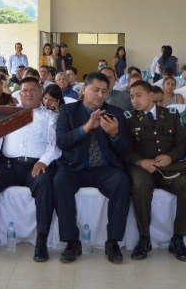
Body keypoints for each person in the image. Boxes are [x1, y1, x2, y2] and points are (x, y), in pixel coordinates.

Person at [0, 77, 60, 261]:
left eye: (33, 90)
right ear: (19, 94)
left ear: (40, 93)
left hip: (36, 166)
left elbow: (54, 145)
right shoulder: (9, 114)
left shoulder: (50, 116)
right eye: (24, 90)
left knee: (45, 185)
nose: (28, 94)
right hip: (8, 166)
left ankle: (41, 240)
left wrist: (44, 161)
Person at [54, 71, 130, 264]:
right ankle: (72, 242)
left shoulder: (116, 113)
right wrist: (87, 127)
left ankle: (113, 242)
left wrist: (115, 134)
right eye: (95, 90)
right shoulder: (68, 111)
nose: (100, 95)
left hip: (104, 169)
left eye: (104, 91)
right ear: (83, 89)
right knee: (60, 181)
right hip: (74, 168)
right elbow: (62, 141)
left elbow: (125, 149)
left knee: (121, 182)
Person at [123, 81, 186, 262]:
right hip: (142, 168)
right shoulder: (128, 118)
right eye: (132, 96)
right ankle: (144, 238)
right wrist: (140, 161)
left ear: (151, 95)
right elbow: (123, 149)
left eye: (139, 95)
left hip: (168, 167)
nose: (134, 100)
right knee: (140, 185)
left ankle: (178, 239)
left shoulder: (171, 115)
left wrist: (170, 157)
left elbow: (182, 146)